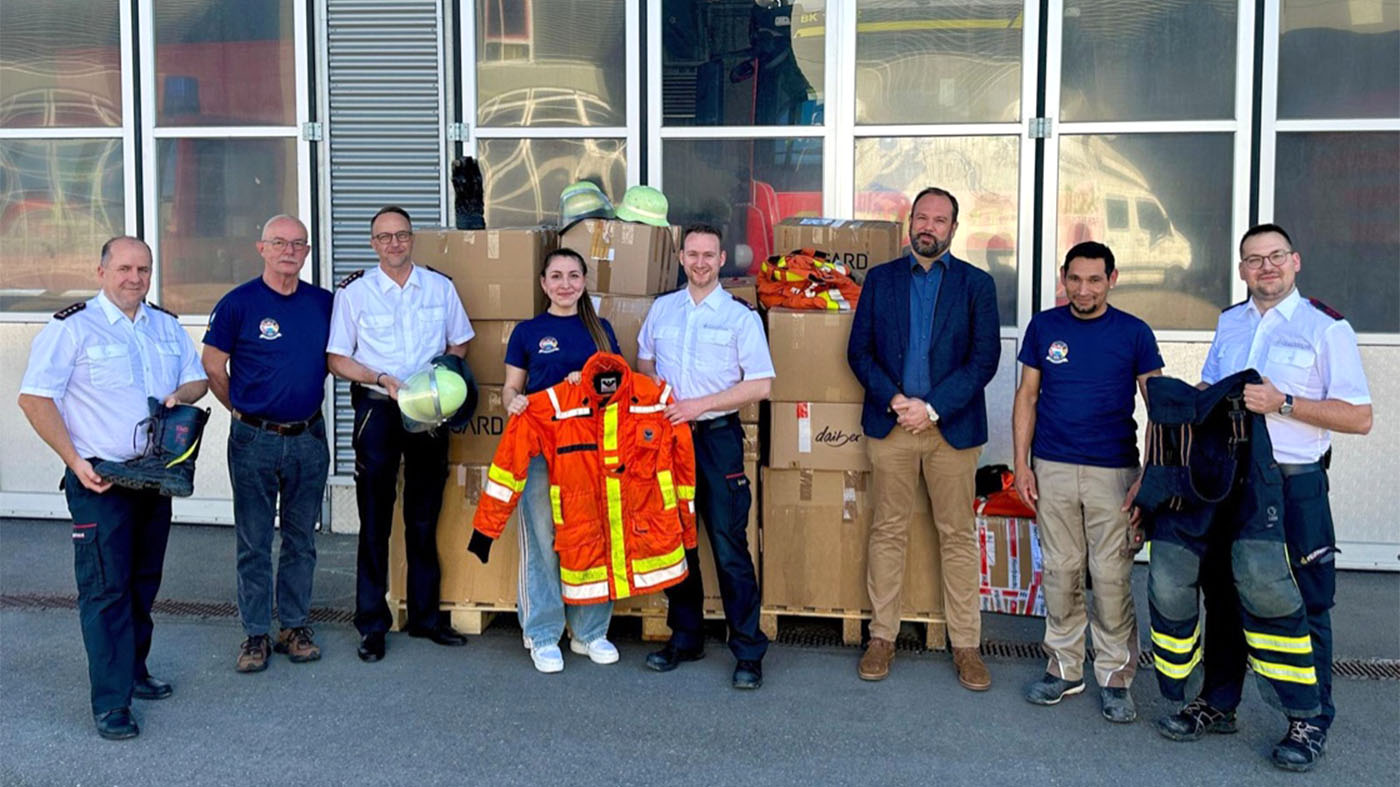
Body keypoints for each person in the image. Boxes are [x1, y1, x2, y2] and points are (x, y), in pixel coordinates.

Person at [1155, 223, 1371, 772]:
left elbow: (1359, 417)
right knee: (1225, 590)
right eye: (1254, 259)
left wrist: (1285, 402)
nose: (1266, 267)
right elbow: (1211, 390)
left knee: (1305, 599)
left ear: (1295, 262)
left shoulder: (1326, 328)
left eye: (1276, 257)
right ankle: (1219, 702)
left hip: (1294, 484)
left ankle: (1310, 719)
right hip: (1230, 481)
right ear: (1243, 269)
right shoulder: (1231, 322)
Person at [17, 237, 208, 740]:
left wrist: (179, 394)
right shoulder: (71, 328)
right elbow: (35, 399)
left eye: (143, 269)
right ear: (100, 271)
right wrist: (74, 461)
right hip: (98, 479)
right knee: (105, 591)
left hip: (155, 477)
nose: (135, 278)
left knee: (143, 583)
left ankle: (134, 671)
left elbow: (197, 382)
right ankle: (110, 703)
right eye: (124, 268)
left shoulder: (164, 326)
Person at [847, 186, 1000, 689]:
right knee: (888, 530)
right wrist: (896, 401)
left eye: (939, 219)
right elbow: (859, 352)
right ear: (908, 222)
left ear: (955, 228)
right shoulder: (882, 280)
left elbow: (984, 360)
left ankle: (967, 647)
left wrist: (931, 408)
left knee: (956, 536)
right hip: (892, 425)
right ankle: (881, 638)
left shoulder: (977, 285)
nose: (928, 226)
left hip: (950, 430)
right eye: (921, 217)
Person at [1012, 241, 1163, 722]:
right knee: (1060, 570)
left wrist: (1151, 477)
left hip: (1114, 471)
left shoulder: (1134, 333)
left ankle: (1117, 678)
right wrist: (1021, 463)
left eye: (1094, 280)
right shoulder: (1045, 327)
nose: (1083, 289)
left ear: (1112, 279)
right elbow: (1027, 396)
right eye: (1074, 279)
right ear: (1064, 277)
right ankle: (1063, 668)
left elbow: (1158, 406)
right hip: (1052, 467)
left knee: (1112, 575)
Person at [327, 206, 474, 662]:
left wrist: (437, 378)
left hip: (429, 411)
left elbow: (460, 341)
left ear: (412, 239)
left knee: (425, 516)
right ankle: (372, 625)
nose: (394, 243)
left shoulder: (439, 286)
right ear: (373, 243)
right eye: (384, 237)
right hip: (379, 409)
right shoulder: (355, 293)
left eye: (401, 235)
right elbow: (337, 359)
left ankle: (426, 618)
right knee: (375, 520)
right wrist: (381, 377)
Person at [637, 223, 773, 690]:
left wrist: (699, 404)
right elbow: (645, 364)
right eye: (692, 253)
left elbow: (761, 384)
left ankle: (748, 651)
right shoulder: (662, 310)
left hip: (717, 439)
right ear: (680, 257)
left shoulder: (740, 317)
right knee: (677, 539)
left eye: (708, 255)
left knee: (728, 542)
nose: (699, 262)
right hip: (669, 439)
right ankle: (686, 637)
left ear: (721, 261)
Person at [202, 215, 333, 673]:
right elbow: (213, 365)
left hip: (308, 438)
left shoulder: (323, 304)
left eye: (298, 243)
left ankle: (294, 626)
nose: (289, 251)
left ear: (307, 251)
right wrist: (239, 409)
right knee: (254, 540)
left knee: (301, 540)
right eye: (279, 242)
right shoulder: (238, 304)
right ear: (261, 248)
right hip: (254, 439)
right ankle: (255, 634)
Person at [502, 248, 624, 673]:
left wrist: (588, 380)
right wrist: (514, 402)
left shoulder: (602, 330)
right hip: (540, 452)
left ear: (585, 281)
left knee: (591, 539)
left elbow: (618, 387)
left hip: (592, 454)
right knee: (543, 541)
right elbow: (510, 389)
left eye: (574, 275)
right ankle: (543, 633)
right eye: (556, 276)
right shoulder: (527, 332)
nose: (565, 284)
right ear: (543, 283)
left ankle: (590, 631)